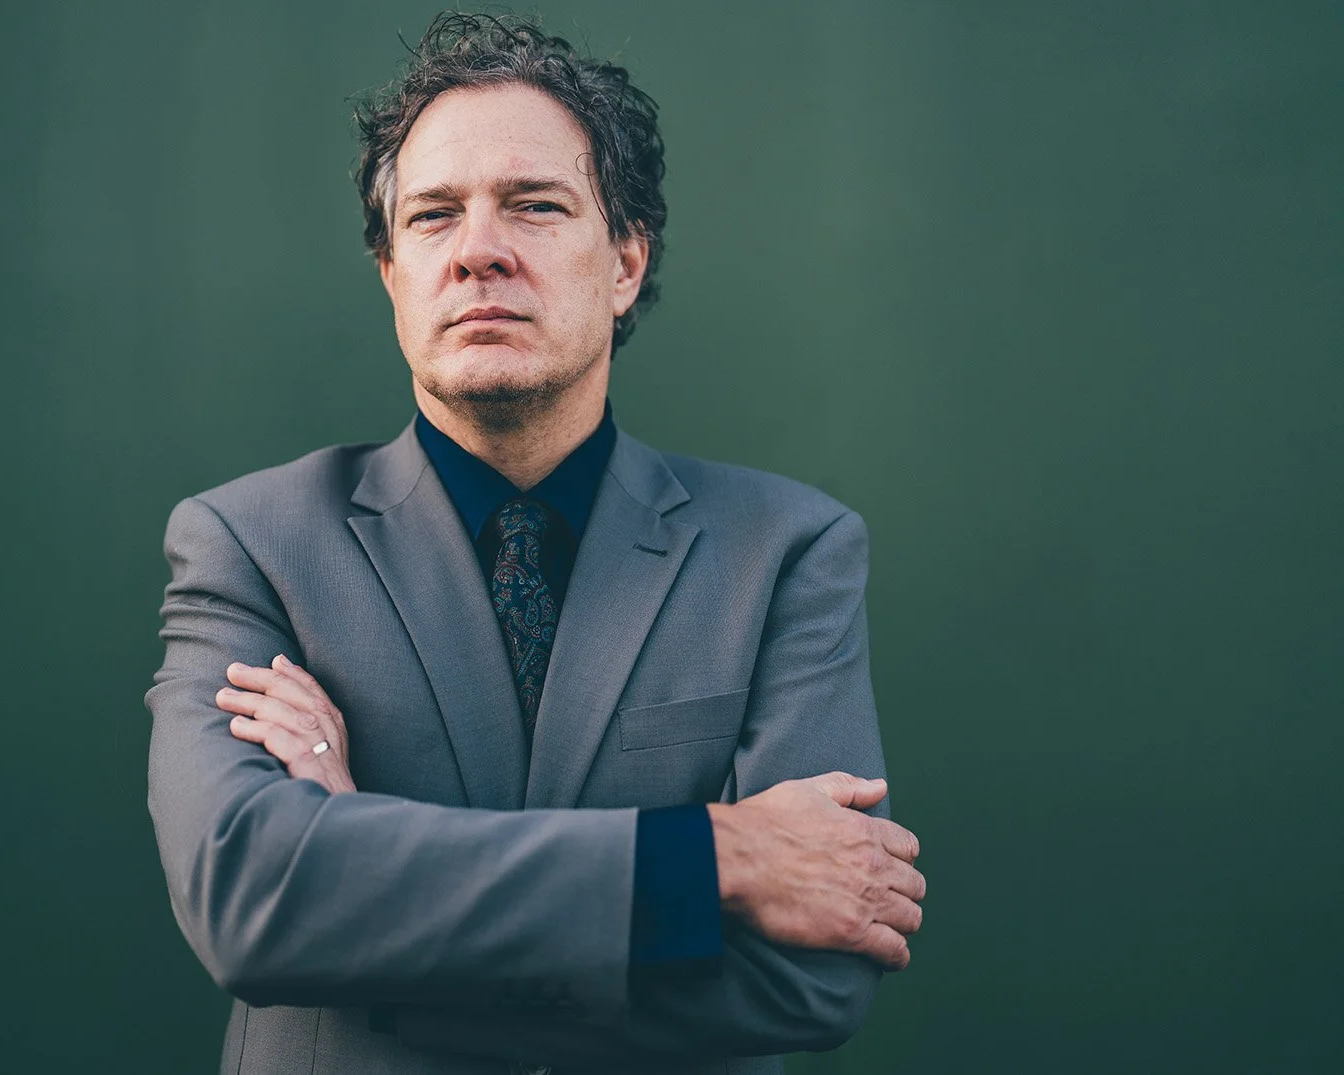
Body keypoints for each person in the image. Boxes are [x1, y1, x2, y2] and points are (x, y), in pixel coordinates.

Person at [146, 13, 925, 1075]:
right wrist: (714, 857)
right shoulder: (251, 543)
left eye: (534, 205)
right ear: (391, 274)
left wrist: (361, 881)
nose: (477, 251)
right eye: (431, 216)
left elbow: (808, 978)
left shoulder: (787, 552)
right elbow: (252, 899)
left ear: (623, 263)